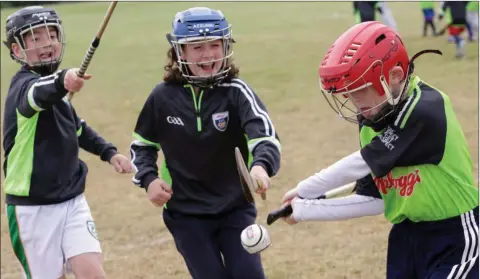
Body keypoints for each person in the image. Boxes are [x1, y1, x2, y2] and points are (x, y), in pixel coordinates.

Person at [280, 21, 479, 279]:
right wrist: (306, 210)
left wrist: (305, 188)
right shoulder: (372, 119)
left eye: (360, 90)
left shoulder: (426, 108)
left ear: (395, 76)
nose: (355, 102)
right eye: (348, 94)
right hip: (405, 239)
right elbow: (374, 199)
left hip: (453, 238)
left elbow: (361, 163)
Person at [130, 6, 281, 279]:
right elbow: (142, 145)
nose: (208, 54)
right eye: (197, 47)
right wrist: (149, 179)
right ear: (180, 53)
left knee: (248, 274)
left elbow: (264, 135)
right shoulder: (162, 97)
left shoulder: (237, 92)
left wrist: (261, 166)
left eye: (215, 45)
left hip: (235, 208)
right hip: (185, 213)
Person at [2, 6, 133, 279]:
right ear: (16, 50)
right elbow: (40, 93)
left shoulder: (55, 91)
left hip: (72, 200)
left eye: (51, 34)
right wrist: (64, 79)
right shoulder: (24, 88)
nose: (47, 42)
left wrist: (109, 153)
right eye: (35, 38)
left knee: (93, 274)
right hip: (32, 209)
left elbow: (77, 129)